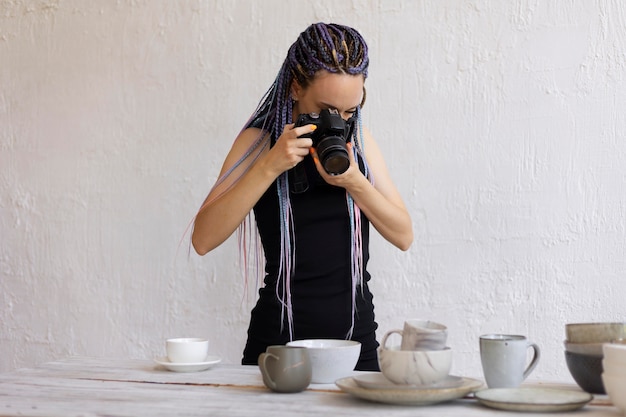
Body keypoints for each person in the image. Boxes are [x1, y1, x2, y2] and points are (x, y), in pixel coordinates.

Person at [191, 22, 412, 371]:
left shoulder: (361, 144)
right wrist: (270, 166)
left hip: (355, 348)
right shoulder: (257, 143)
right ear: (296, 88)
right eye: (326, 109)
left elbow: (404, 235)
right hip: (278, 347)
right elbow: (203, 239)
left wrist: (355, 181)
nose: (338, 122)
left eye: (350, 111)